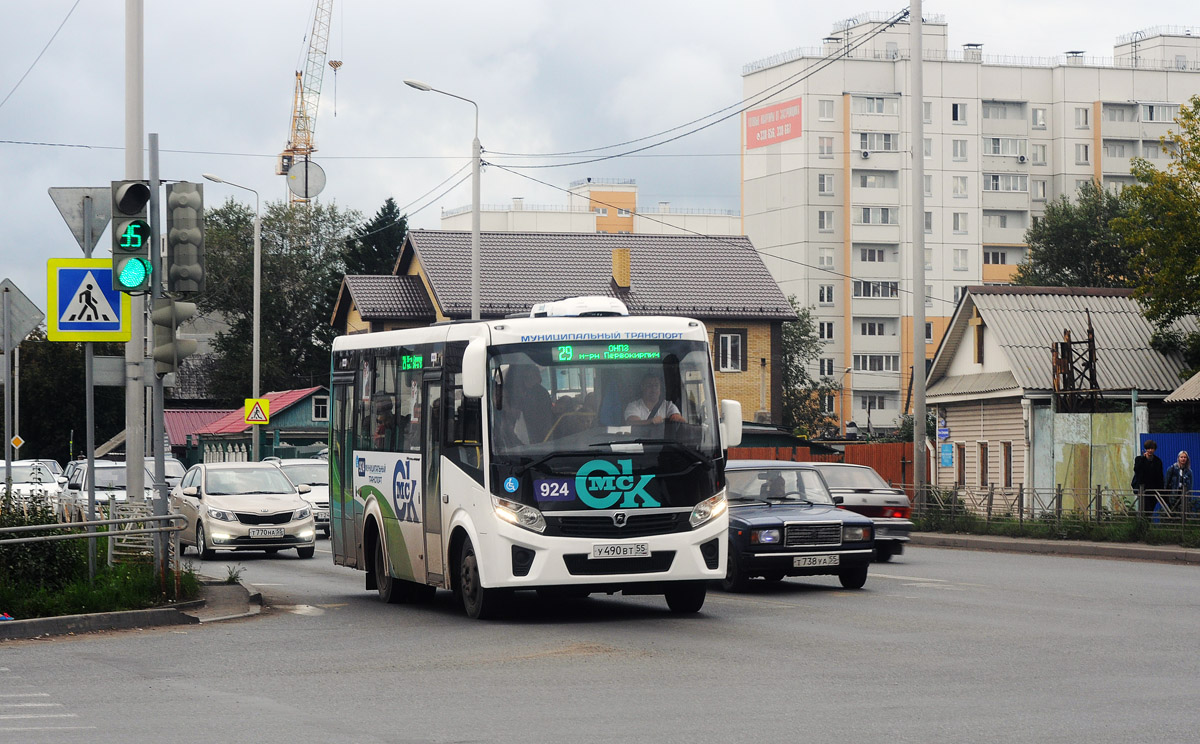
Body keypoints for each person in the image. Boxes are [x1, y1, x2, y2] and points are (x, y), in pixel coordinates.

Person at [501, 364, 553, 444]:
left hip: (537, 440)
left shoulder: (538, 393)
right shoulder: (516, 393)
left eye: (532, 377)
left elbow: (541, 419)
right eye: (526, 378)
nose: (528, 381)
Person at [1131, 439, 1165, 516]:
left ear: (1154, 449)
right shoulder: (1139, 459)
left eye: (1152, 448)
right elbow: (1137, 470)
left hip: (1153, 489)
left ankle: (1147, 525)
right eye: (1148, 448)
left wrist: (1161, 490)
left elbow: (1160, 476)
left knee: (1150, 510)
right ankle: (1142, 525)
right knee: (1145, 509)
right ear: (1146, 449)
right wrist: (1143, 458)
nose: (1150, 450)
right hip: (1143, 489)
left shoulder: (1157, 461)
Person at [1163, 450, 1194, 518]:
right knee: (1172, 513)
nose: (1183, 459)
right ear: (1178, 458)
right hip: (1173, 495)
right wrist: (1165, 497)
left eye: (1185, 457)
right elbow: (1166, 483)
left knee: (1183, 514)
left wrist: (1189, 498)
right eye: (1181, 457)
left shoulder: (1189, 472)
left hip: (1184, 495)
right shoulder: (1172, 469)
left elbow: (1190, 486)